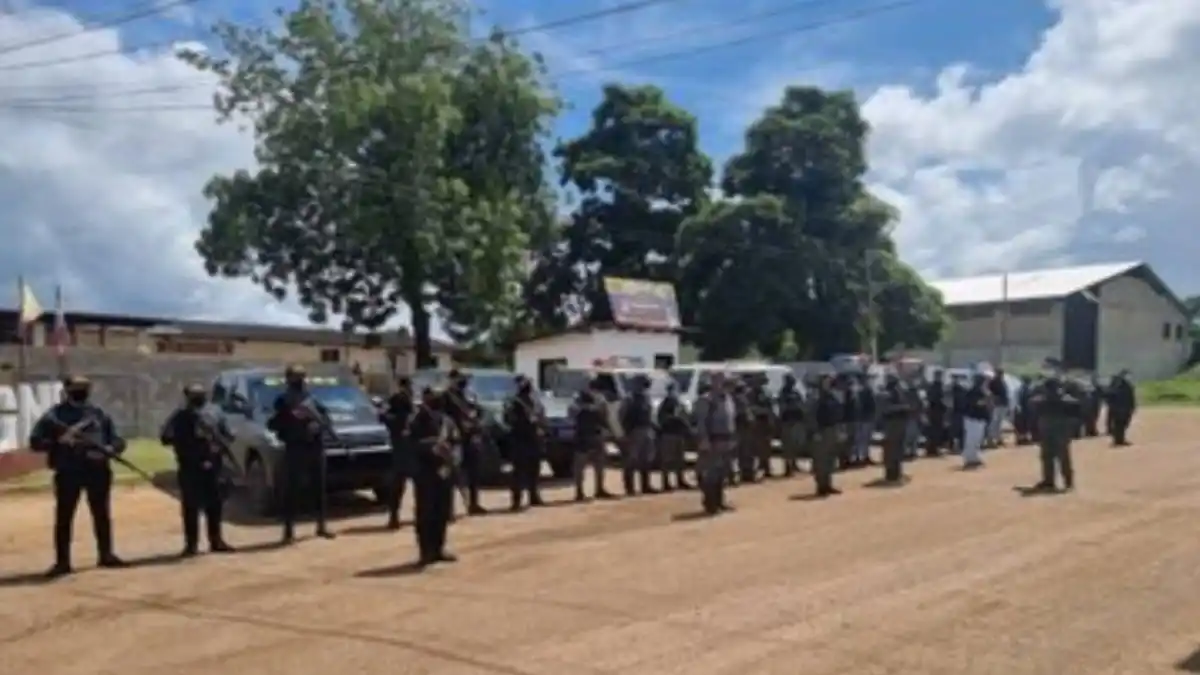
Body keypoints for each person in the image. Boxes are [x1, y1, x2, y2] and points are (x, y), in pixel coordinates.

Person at [29, 375, 128, 577]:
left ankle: (106, 554)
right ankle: (62, 562)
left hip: (97, 470)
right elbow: (35, 442)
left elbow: (118, 440)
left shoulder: (98, 414)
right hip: (68, 471)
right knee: (64, 517)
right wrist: (59, 442)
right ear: (67, 390)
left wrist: (109, 448)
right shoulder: (54, 416)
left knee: (101, 514)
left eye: (84, 387)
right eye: (77, 388)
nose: (81, 391)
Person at [159, 383, 235, 556]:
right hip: (190, 466)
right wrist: (184, 439)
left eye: (199, 394)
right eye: (194, 395)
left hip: (213, 464)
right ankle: (191, 544)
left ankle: (216, 540)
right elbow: (165, 437)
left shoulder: (216, 412)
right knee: (190, 507)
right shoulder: (180, 415)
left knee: (215, 504)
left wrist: (218, 445)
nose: (197, 398)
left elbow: (229, 435)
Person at [266, 364, 336, 544]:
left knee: (319, 488)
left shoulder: (312, 398)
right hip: (295, 448)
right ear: (289, 379)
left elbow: (326, 417)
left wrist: (317, 425)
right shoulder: (283, 400)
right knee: (291, 490)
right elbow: (274, 424)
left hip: (314, 447)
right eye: (297, 378)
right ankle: (288, 531)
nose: (300, 381)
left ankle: (321, 525)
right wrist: (293, 418)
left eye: (302, 377)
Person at [408, 386, 458, 565]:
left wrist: (451, 462)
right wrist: (431, 447)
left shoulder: (447, 421)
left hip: (444, 472)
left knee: (442, 511)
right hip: (425, 473)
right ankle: (425, 552)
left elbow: (456, 443)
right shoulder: (417, 420)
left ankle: (438, 548)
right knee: (426, 513)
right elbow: (411, 443)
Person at [442, 369, 488, 515]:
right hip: (455, 440)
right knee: (453, 475)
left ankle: (473, 504)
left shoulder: (465, 395)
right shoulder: (446, 397)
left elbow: (478, 409)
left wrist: (476, 418)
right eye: (458, 379)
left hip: (470, 439)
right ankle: (449, 509)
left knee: (473, 473)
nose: (462, 382)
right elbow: (445, 417)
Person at [1029, 362, 1080, 491]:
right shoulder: (1061, 399)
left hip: (1054, 428)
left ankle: (1059, 481)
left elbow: (1076, 406)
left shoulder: (1056, 398)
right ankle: (1056, 481)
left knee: (1057, 456)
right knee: (1054, 455)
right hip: (1054, 428)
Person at [691, 372, 737, 514]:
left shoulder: (728, 399)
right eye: (722, 382)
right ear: (714, 383)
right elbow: (701, 423)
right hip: (713, 441)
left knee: (723, 473)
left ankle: (719, 501)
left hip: (726, 440)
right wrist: (704, 440)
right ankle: (710, 503)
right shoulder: (706, 400)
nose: (726, 386)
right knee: (710, 474)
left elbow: (731, 420)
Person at [504, 375, 547, 510]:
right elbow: (508, 419)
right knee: (518, 472)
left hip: (534, 439)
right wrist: (524, 422)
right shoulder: (513, 402)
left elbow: (541, 416)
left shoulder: (535, 401)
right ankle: (516, 501)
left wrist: (541, 425)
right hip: (520, 439)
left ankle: (534, 496)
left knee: (534, 469)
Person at [570, 381, 616, 502]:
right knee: (599, 466)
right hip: (595, 439)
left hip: (582, 440)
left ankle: (579, 492)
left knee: (580, 469)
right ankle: (599, 489)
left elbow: (572, 419)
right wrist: (612, 434)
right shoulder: (595, 410)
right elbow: (604, 422)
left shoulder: (577, 410)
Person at [379, 376, 415, 530]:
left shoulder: (393, 417)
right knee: (417, 486)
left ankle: (394, 517)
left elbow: (383, 417)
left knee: (397, 487)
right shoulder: (411, 416)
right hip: (410, 453)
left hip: (400, 452)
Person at [619, 374, 657, 495]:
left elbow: (650, 415)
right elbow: (621, 416)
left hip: (646, 429)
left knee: (646, 459)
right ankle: (629, 488)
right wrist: (625, 433)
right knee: (631, 460)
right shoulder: (629, 399)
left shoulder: (646, 398)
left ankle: (645, 486)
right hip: (634, 431)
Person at [656, 383, 693, 490]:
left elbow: (685, 417)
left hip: (678, 433)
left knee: (679, 459)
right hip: (669, 434)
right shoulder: (665, 404)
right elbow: (662, 419)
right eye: (671, 390)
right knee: (667, 460)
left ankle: (680, 480)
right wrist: (674, 418)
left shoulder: (679, 403)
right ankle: (665, 482)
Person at [810, 374, 842, 497]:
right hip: (821, 431)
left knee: (830, 458)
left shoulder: (832, 396)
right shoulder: (817, 397)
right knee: (821, 460)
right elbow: (811, 415)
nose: (828, 384)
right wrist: (815, 431)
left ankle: (828, 484)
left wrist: (839, 429)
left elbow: (837, 413)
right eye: (826, 382)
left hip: (832, 429)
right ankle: (821, 486)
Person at [776, 374, 807, 476]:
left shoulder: (796, 392)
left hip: (797, 420)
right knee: (788, 446)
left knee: (796, 444)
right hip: (787, 421)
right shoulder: (783, 393)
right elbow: (782, 407)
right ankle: (787, 467)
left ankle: (794, 464)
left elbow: (802, 404)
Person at [960, 372, 990, 469]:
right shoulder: (974, 391)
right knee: (971, 440)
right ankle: (969, 459)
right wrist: (987, 399)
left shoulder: (980, 391)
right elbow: (977, 403)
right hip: (973, 419)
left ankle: (975, 458)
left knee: (977, 440)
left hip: (978, 418)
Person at [1106, 371, 1136, 446]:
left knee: (1121, 425)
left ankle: (1119, 439)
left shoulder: (1122, 385)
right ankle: (1118, 440)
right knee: (1120, 425)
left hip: (1121, 408)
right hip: (1121, 408)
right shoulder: (1122, 385)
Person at [924, 370, 947, 456]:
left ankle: (932, 448)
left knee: (934, 430)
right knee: (936, 430)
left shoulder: (933, 386)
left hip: (934, 410)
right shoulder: (938, 387)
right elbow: (938, 399)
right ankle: (933, 449)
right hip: (936, 410)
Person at [986, 369, 1010, 448]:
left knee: (999, 423)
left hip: (1002, 404)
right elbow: (989, 392)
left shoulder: (1002, 382)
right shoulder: (993, 382)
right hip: (997, 404)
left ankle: (998, 439)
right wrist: (992, 401)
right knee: (994, 422)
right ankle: (990, 440)